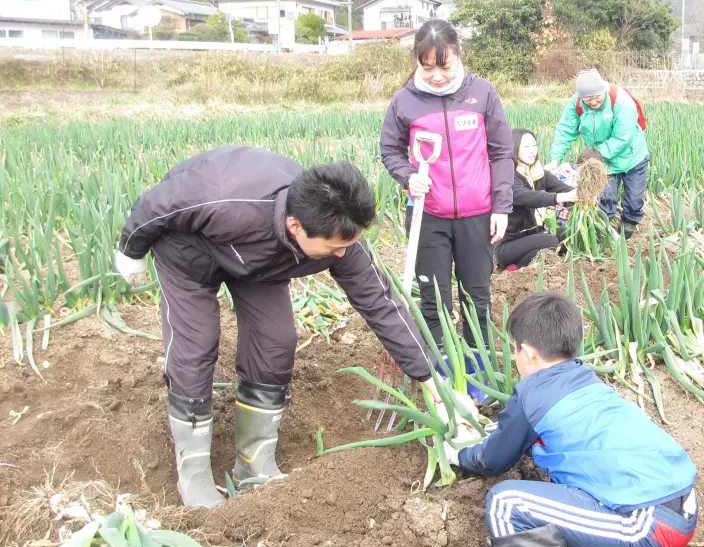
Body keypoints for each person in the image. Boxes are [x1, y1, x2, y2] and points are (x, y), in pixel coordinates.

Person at [113, 146, 470, 508]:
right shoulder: (224, 195)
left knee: (276, 342)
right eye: (334, 247)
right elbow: (157, 204)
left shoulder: (339, 231)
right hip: (188, 255)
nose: (343, 254)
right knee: (196, 347)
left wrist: (429, 378)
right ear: (295, 225)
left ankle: (254, 463)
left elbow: (381, 304)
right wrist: (130, 249)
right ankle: (194, 473)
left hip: (263, 264)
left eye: (349, 244)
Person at [447, 293, 698, 547]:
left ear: (529, 354)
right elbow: (523, 429)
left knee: (505, 503)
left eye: (514, 349)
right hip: (681, 506)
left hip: (648, 527)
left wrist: (459, 454)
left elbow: (493, 460)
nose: (513, 358)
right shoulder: (587, 380)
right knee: (573, 475)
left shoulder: (531, 394)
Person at [380, 19, 514, 347]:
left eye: (445, 67)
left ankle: (477, 369)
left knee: (477, 299)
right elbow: (390, 149)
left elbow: (501, 151)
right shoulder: (404, 100)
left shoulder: (481, 92)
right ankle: (438, 370)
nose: (437, 76)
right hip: (428, 216)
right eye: (427, 68)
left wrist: (501, 206)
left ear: (457, 56)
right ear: (417, 62)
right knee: (433, 300)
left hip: (477, 214)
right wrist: (408, 176)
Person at [548, 67, 649, 239]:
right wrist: (555, 158)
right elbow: (565, 129)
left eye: (597, 98)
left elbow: (623, 138)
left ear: (604, 90)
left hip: (632, 158)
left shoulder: (621, 101)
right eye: (588, 100)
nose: (593, 103)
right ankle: (602, 234)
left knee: (634, 200)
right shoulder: (577, 103)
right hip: (605, 163)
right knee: (604, 200)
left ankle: (627, 231)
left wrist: (595, 154)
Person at [496, 128, 577, 271]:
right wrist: (559, 197)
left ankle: (515, 266)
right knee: (550, 240)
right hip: (506, 245)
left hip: (529, 235)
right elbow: (526, 197)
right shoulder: (508, 176)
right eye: (526, 147)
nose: (532, 150)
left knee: (563, 240)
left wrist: (582, 194)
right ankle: (513, 268)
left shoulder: (537, 173)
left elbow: (562, 187)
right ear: (515, 148)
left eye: (534, 145)